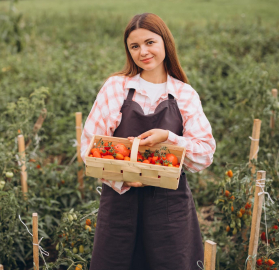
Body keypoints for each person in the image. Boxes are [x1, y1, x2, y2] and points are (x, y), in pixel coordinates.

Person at [80, 13, 216, 270]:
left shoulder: (184, 94)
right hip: (120, 203)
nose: (143, 51)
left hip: (170, 207)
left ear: (165, 42)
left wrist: (170, 139)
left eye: (150, 42)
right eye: (135, 46)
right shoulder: (115, 88)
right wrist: (120, 176)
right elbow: (88, 148)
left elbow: (205, 153)